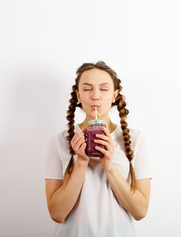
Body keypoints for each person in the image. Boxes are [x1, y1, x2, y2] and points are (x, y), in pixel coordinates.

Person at [44, 61, 151, 237]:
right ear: (78, 95)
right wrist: (81, 162)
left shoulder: (135, 139)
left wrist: (109, 166)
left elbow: (140, 211)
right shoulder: (58, 141)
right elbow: (57, 214)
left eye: (104, 89)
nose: (95, 96)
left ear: (115, 95)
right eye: (87, 89)